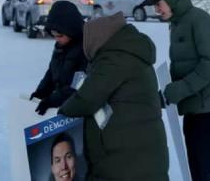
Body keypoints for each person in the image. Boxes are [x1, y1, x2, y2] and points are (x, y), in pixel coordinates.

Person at [143, 0, 210, 181]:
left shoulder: (199, 21)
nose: (156, 9)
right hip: (196, 104)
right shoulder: (178, 23)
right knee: (195, 164)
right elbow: (185, 64)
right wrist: (167, 91)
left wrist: (181, 89)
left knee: (200, 164)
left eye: (158, 4)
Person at [58, 12, 169, 181]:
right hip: (140, 150)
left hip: (127, 157)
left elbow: (88, 98)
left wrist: (63, 112)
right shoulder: (128, 52)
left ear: (96, 39)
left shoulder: (114, 58)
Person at [30, 1, 87, 115]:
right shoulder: (60, 46)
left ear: (71, 30)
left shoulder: (85, 49)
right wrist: (41, 92)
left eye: (60, 36)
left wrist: (53, 100)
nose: (57, 39)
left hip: (76, 108)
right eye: (54, 35)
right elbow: (51, 73)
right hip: (60, 105)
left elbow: (79, 85)